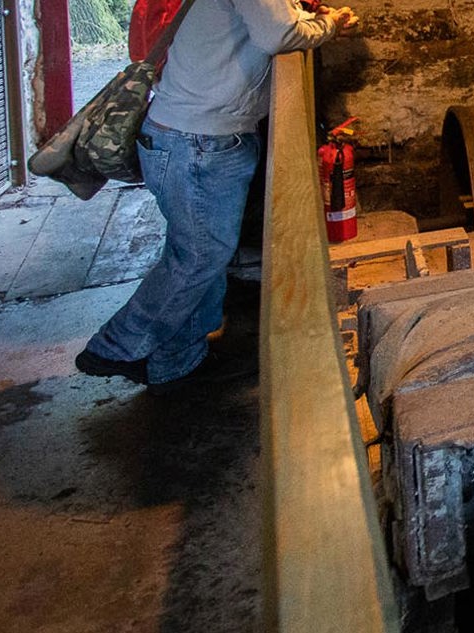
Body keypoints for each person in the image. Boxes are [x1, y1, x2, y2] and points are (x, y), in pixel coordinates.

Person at [75, 1, 360, 394]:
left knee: (205, 252)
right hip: (197, 140)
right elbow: (277, 32)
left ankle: (177, 361)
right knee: (199, 255)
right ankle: (118, 345)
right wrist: (327, 24)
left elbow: (278, 18)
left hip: (196, 134)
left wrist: (310, 16)